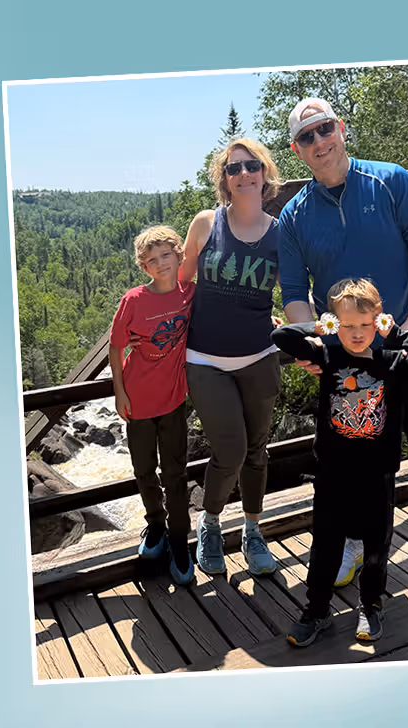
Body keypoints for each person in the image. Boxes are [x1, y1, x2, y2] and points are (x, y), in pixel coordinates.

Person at [277, 97, 408, 649]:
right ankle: (351, 543)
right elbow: (294, 294)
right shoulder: (294, 216)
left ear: (341, 129)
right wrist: (315, 341)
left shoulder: (391, 182)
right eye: (306, 137)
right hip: (348, 367)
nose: (319, 142)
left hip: (407, 356)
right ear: (296, 150)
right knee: (349, 465)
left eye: (325, 128)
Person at [272, 279, 408, 646]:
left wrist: (395, 333)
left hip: (377, 471)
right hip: (332, 470)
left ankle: (371, 604)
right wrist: (319, 327)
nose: (356, 333)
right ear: (335, 324)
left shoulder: (393, 363)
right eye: (347, 325)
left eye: (366, 324)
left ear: (378, 321)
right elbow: (282, 336)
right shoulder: (328, 357)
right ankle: (316, 610)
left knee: (376, 544)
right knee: (326, 542)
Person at [177, 138, 285, 577]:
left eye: (251, 165)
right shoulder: (206, 224)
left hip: (259, 355)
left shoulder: (280, 233)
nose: (244, 174)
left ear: (265, 172)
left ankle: (253, 530)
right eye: (233, 168)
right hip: (205, 359)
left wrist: (327, 327)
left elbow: (295, 289)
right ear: (224, 179)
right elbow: (181, 283)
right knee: (232, 449)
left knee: (257, 450)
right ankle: (210, 522)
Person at [109, 225, 196, 584]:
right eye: (151, 260)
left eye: (165, 255)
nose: (160, 263)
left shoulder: (191, 294)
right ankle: (156, 526)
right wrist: (119, 392)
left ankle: (179, 539)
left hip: (174, 400)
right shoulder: (133, 301)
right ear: (143, 267)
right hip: (138, 400)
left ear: (179, 255)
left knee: (175, 473)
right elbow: (116, 347)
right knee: (144, 470)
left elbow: (227, 314)